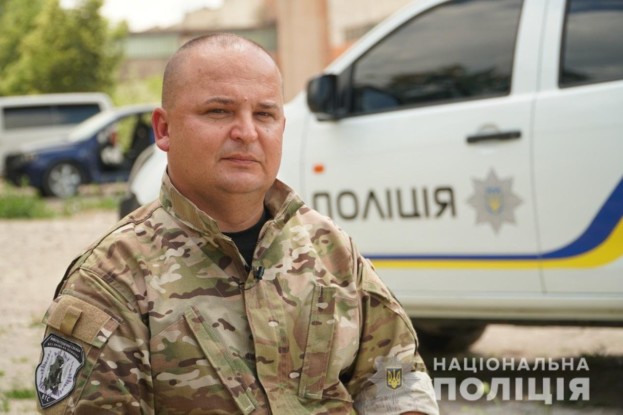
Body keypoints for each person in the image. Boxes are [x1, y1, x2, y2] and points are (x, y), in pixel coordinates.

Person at [35, 33, 439, 414]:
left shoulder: (329, 248)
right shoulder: (111, 280)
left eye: (264, 114)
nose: (247, 132)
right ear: (164, 129)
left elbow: (396, 372)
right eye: (219, 111)